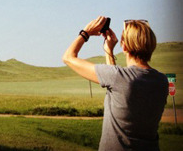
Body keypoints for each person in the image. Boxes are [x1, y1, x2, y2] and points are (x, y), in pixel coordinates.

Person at [62, 16, 168, 150]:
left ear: (124, 46)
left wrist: (86, 32)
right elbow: (117, 88)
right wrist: (109, 52)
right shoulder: (161, 81)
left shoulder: (118, 77)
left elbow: (68, 57)